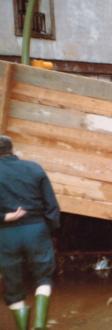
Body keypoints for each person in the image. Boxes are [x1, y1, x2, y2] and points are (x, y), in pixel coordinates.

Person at [0, 135, 60, 330]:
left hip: (6, 235)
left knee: (13, 288)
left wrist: (4, 218)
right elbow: (51, 206)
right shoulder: (34, 168)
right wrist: (49, 229)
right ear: (12, 149)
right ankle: (40, 325)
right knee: (43, 277)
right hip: (36, 229)